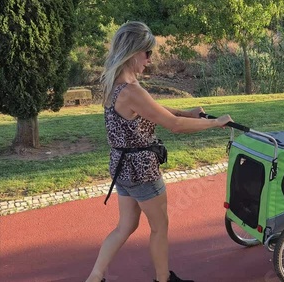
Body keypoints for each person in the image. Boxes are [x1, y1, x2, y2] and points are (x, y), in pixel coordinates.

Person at [85, 21, 232, 282]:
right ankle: (163, 280)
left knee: (126, 225)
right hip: (141, 169)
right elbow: (173, 125)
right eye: (147, 53)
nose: (150, 60)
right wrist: (214, 122)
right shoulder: (131, 90)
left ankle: (95, 277)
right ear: (133, 52)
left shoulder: (113, 84)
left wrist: (190, 113)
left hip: (122, 167)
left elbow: (156, 110)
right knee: (160, 227)